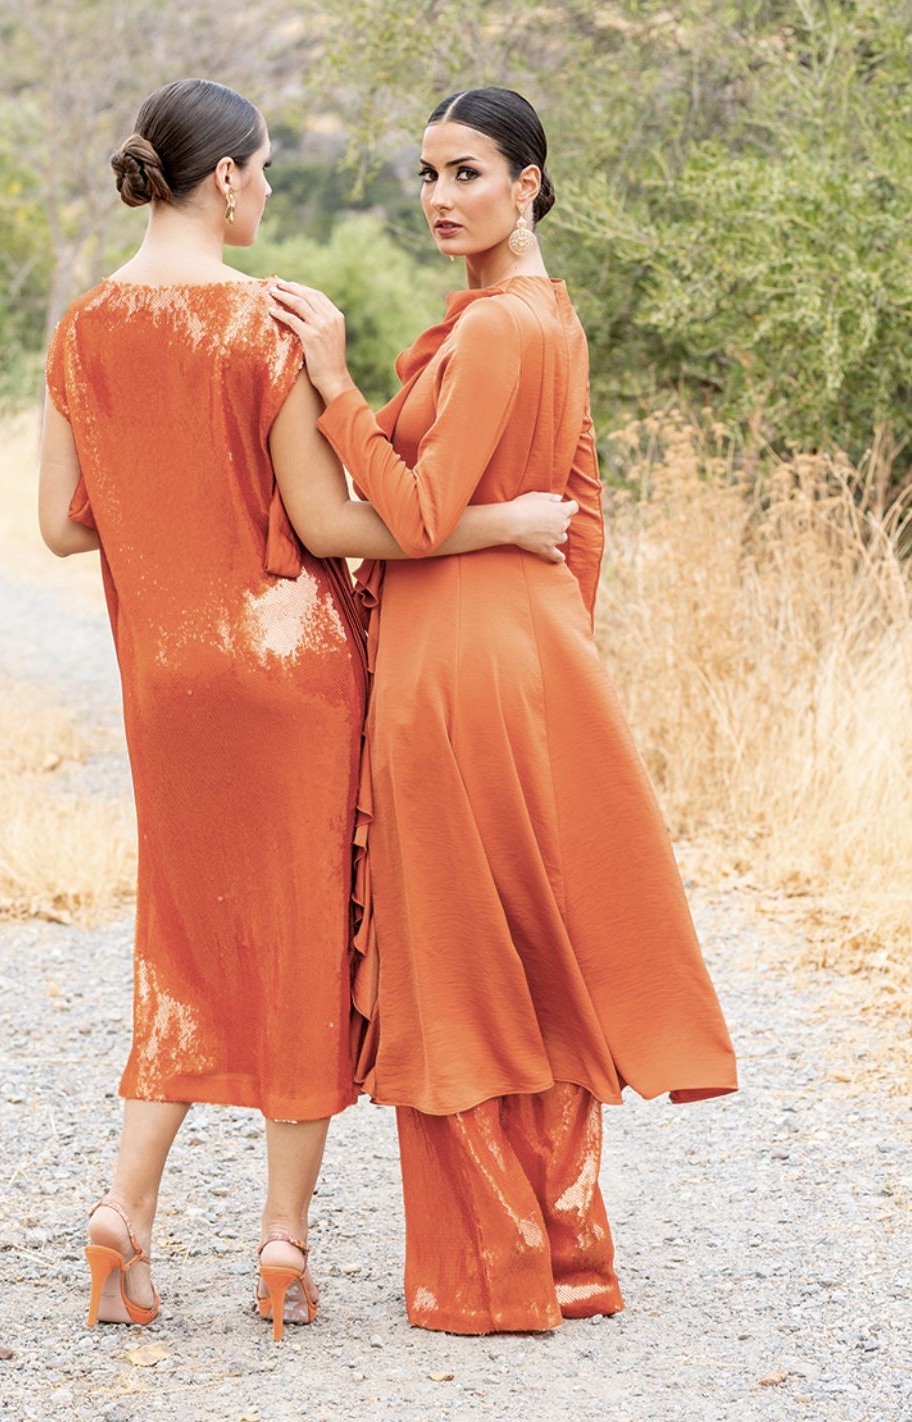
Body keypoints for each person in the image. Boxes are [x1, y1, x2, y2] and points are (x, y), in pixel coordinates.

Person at [38, 78, 575, 1338]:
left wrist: (167, 518)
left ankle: (124, 1215)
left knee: (180, 939)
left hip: (165, 677)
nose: (271, 189)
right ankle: (281, 1244)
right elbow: (333, 523)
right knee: (302, 942)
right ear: (224, 178)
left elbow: (61, 526)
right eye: (266, 168)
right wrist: (502, 522)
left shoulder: (82, 328)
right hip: (291, 670)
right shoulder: (267, 321)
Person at [271, 85, 739, 1335]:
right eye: (426, 175)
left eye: (466, 173)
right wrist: (553, 640)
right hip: (530, 654)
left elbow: (419, 515)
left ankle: (488, 1272)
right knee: (536, 949)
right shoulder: (552, 316)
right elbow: (582, 513)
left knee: (455, 958)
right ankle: (567, 1257)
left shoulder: (490, 331)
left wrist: (333, 386)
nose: (439, 198)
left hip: (453, 663)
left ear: (527, 181)